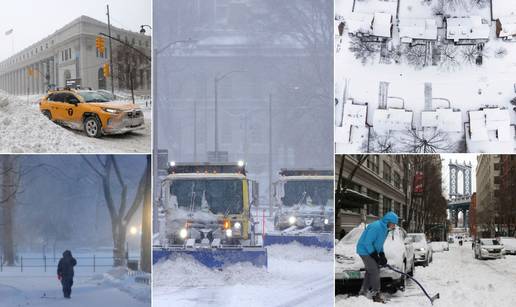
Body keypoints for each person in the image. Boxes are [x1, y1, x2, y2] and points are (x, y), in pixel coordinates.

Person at [356, 211, 399, 303]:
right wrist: (375, 256)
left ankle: (363, 292)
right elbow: (367, 243)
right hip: (364, 250)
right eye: (393, 224)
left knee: (370, 271)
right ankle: (376, 294)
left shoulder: (385, 229)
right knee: (375, 271)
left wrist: (382, 254)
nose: (394, 226)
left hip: (370, 250)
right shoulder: (376, 227)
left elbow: (379, 244)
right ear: (388, 221)